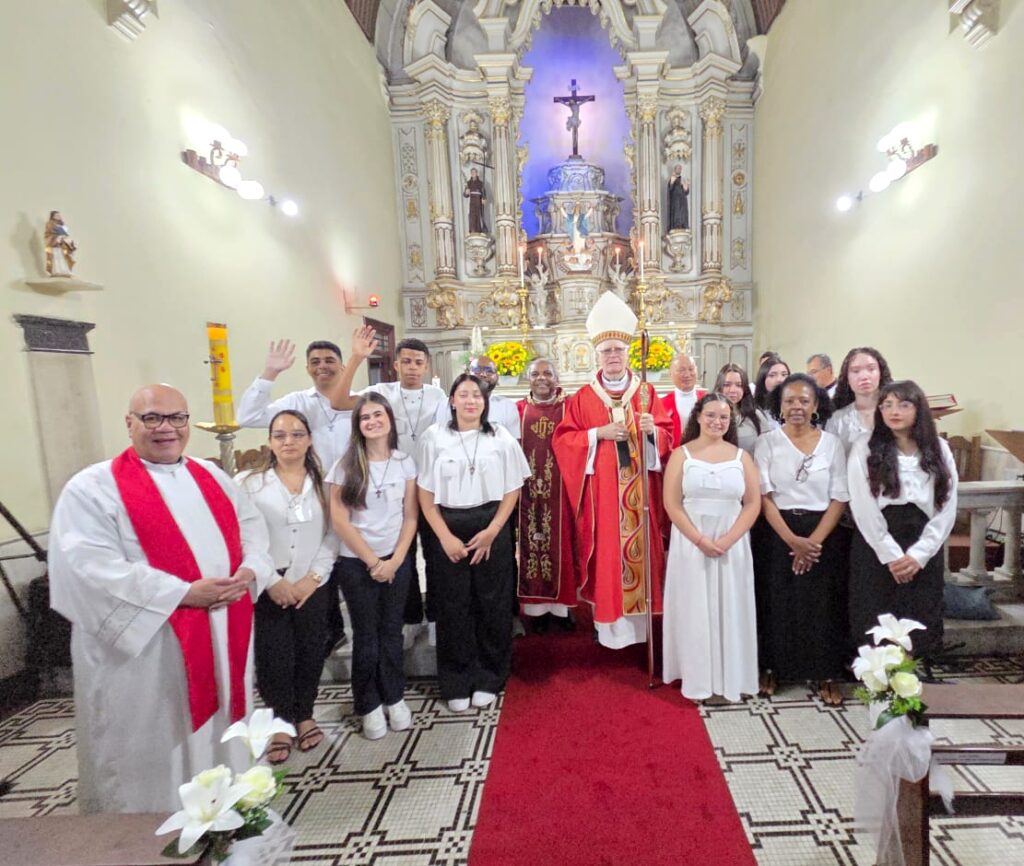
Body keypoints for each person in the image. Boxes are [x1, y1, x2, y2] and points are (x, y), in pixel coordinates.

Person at [48, 385, 274, 813]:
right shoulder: (93, 488)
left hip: (222, 632)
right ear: (129, 423)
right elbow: (87, 568)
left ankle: (225, 816)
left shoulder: (213, 477)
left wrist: (251, 571)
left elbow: (253, 532)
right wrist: (182, 594)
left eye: (177, 418)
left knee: (219, 738)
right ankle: (141, 839)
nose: (166, 428)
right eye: (153, 418)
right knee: (151, 747)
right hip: (148, 653)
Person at [552, 292, 673, 649]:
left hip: (641, 497)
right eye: (606, 352)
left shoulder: (648, 392)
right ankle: (612, 631)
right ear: (597, 355)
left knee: (643, 557)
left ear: (628, 353)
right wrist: (596, 435)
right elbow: (563, 441)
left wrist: (653, 433)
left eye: (619, 350)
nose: (613, 356)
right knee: (608, 557)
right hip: (604, 499)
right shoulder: (582, 398)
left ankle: (642, 629)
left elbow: (667, 441)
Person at [417, 375, 531, 711]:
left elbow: (513, 488)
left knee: (492, 605)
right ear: (451, 400)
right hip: (447, 526)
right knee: (453, 606)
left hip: (490, 525)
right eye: (463, 394)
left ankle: (490, 676)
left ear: (485, 402)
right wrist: (444, 536)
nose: (471, 401)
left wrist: (495, 530)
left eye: (477, 396)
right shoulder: (433, 437)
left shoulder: (501, 436)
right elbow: (424, 492)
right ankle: (455, 679)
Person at [329, 327, 448, 643]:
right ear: (395, 364)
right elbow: (339, 400)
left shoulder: (438, 396)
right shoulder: (382, 391)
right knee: (403, 552)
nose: (411, 367)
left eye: (418, 362)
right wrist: (355, 358)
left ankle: (436, 616)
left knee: (436, 554)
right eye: (406, 361)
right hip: (395, 486)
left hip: (430, 486)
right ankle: (408, 619)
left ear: (427, 366)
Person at [238, 338, 353, 652]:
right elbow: (247, 417)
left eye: (329, 360)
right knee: (315, 553)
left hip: (350, 494)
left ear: (342, 365)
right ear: (307, 368)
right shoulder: (297, 403)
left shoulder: (355, 402)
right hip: (309, 488)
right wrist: (269, 374)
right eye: (315, 361)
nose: (322, 366)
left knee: (343, 563)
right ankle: (330, 628)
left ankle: (339, 623)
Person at [236, 410, 336, 762]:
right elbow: (243, 537)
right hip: (269, 583)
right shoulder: (249, 484)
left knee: (310, 650)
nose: (288, 441)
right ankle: (280, 720)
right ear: (270, 442)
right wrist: (272, 580)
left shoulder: (326, 483)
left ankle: (305, 713)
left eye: (296, 434)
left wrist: (314, 578)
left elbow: (334, 533)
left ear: (309, 439)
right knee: (274, 654)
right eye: (280, 435)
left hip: (312, 581)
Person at [754, 374, 850, 706]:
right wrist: (792, 541)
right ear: (779, 406)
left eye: (804, 400)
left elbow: (840, 496)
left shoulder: (832, 443)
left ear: (816, 405)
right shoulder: (767, 442)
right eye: (789, 400)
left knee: (823, 604)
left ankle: (825, 671)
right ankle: (772, 667)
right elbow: (763, 495)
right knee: (776, 601)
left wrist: (812, 543)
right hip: (777, 529)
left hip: (822, 531)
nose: (797, 406)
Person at [847, 381, 957, 661]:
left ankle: (915, 677)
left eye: (904, 404)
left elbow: (947, 504)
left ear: (918, 409)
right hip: (878, 542)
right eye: (887, 405)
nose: (894, 411)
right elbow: (862, 505)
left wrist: (919, 555)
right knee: (875, 609)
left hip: (922, 540)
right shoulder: (865, 447)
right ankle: (878, 681)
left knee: (920, 610)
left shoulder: (939, 448)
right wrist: (891, 555)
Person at [662, 394, 761, 702]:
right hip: (691, 543)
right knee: (694, 609)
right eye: (711, 415)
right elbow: (672, 503)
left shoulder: (741, 457)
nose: (717, 422)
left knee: (730, 607)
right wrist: (700, 539)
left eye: (723, 417)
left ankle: (730, 678)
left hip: (731, 542)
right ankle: (697, 678)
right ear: (699, 417)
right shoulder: (682, 454)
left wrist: (729, 539)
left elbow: (753, 503)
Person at [330, 394, 419, 738]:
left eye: (377, 414)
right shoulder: (344, 466)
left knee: (391, 632)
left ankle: (394, 696)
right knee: (366, 636)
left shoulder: (404, 462)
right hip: (357, 564)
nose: (372, 421)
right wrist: (373, 562)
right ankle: (368, 703)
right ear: (358, 426)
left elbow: (411, 515)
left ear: (390, 419)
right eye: (365, 418)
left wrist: (396, 559)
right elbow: (340, 521)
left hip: (396, 561)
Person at [517, 359, 580, 632]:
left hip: (561, 491)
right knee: (531, 544)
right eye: (535, 374)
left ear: (557, 377)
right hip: (526, 491)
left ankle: (562, 611)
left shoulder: (569, 407)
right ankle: (536, 610)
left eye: (547, 373)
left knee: (562, 545)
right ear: (528, 378)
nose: (541, 378)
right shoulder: (518, 410)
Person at [436, 355, 521, 439]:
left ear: (497, 376)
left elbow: (513, 445)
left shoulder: (507, 406)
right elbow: (440, 438)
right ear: (468, 373)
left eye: (489, 371)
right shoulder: (446, 404)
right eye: (477, 370)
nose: (483, 374)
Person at [827, 347, 894, 455]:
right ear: (847, 378)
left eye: (871, 369)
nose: (864, 376)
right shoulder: (837, 420)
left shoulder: (895, 413)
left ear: (881, 373)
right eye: (856, 371)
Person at [714, 363, 778, 454]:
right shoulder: (710, 416)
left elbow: (768, 451)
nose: (733, 390)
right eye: (727, 385)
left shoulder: (755, 416)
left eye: (739, 385)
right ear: (719, 387)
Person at [661, 353, 707, 448]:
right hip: (674, 456)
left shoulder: (708, 400)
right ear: (670, 374)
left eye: (691, 369)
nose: (687, 375)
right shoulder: (661, 404)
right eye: (681, 370)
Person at [753, 354, 790, 419]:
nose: (780, 379)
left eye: (784, 374)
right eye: (772, 375)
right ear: (762, 379)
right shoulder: (755, 412)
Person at [44, 210, 77, 277]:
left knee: (64, 256)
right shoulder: (50, 223)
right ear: (53, 216)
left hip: (62, 243)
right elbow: (49, 234)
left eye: (59, 215)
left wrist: (63, 236)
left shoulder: (61, 224)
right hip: (55, 243)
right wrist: (56, 237)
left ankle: (65, 270)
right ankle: (57, 271)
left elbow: (65, 232)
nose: (59, 216)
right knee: (57, 257)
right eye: (57, 215)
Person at [464, 167, 487, 234]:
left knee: (479, 215)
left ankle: (480, 230)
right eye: (472, 172)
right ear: (471, 174)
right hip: (472, 202)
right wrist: (466, 192)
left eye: (474, 172)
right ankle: (472, 230)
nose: (473, 174)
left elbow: (483, 192)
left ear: (477, 174)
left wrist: (484, 198)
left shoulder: (480, 183)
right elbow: (465, 195)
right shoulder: (468, 183)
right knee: (472, 216)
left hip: (478, 201)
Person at [667, 164, 690, 231]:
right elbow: (670, 189)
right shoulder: (672, 178)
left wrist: (686, 186)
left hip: (682, 200)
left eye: (680, 168)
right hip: (675, 200)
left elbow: (686, 192)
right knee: (676, 213)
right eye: (678, 168)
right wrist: (672, 180)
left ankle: (683, 225)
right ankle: (676, 226)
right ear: (675, 169)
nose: (679, 169)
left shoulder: (683, 180)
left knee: (683, 213)